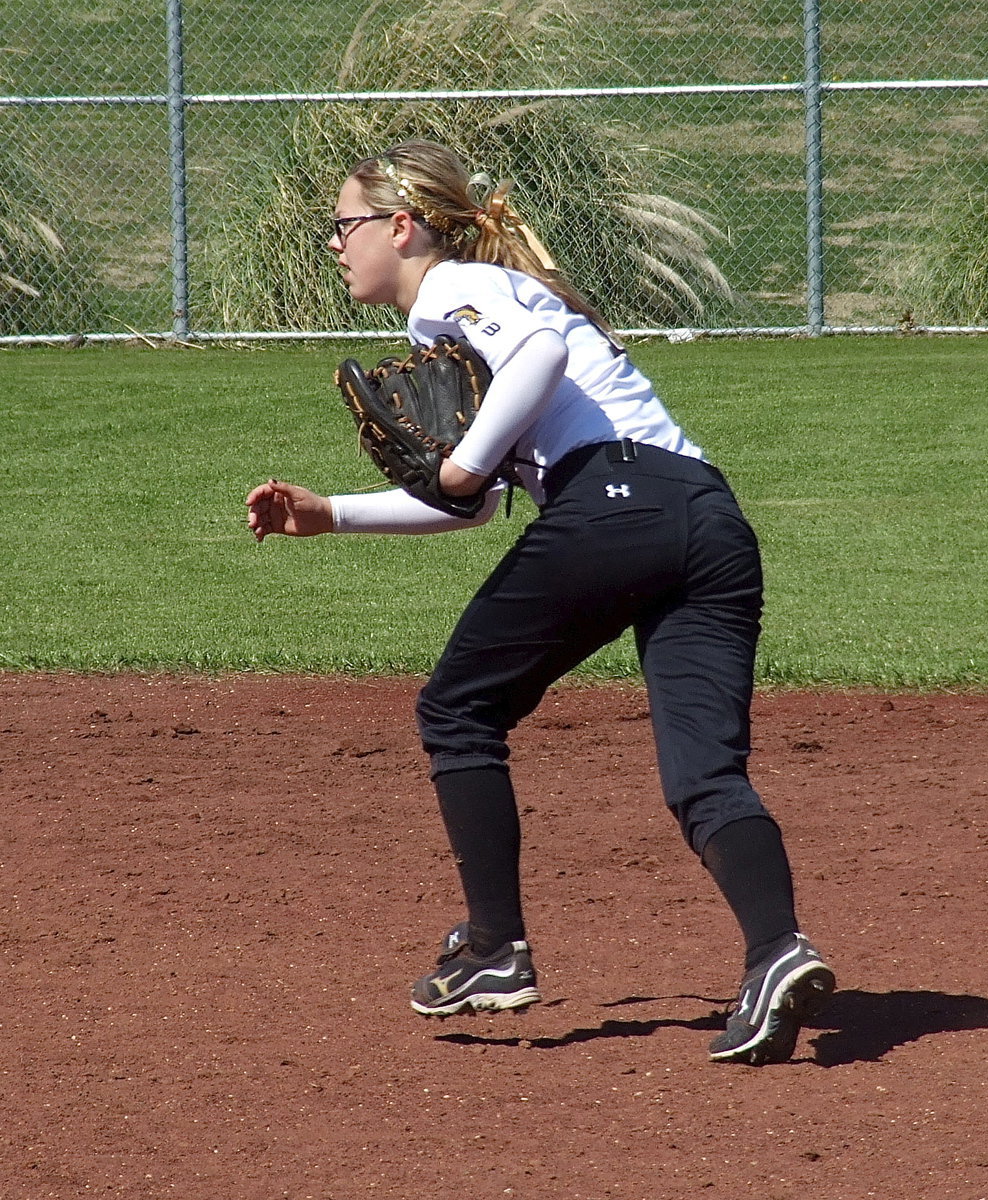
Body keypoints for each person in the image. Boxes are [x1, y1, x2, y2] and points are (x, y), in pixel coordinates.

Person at [245, 139, 834, 1065]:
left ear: (401, 228)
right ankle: (777, 952)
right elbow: (465, 504)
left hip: (617, 504)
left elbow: (538, 361)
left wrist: (465, 457)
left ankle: (493, 948)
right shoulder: (484, 300)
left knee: (457, 706)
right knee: (704, 775)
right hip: (707, 518)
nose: (334, 243)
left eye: (344, 224)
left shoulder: (449, 291)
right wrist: (334, 516)